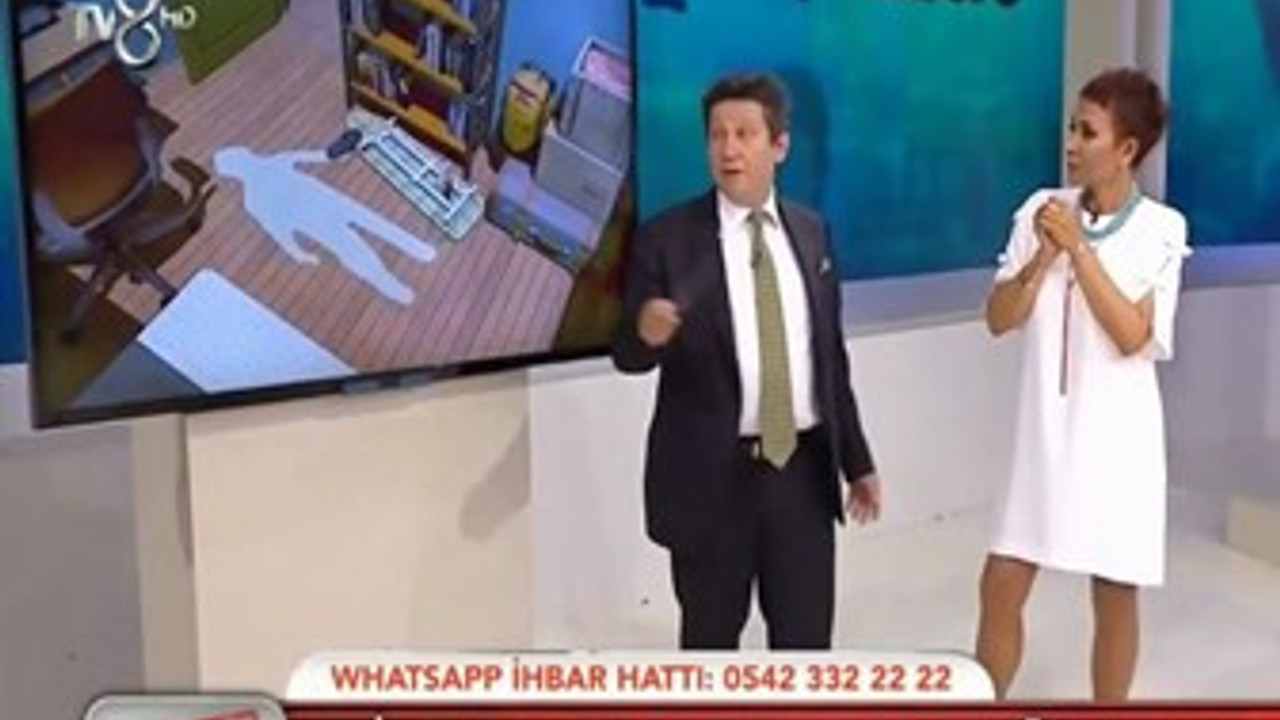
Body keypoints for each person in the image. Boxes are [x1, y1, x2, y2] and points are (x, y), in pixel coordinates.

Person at [611, 72, 881, 650]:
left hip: (801, 476)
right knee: (710, 652)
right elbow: (627, 356)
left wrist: (857, 462)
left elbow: (829, 358)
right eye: (717, 135)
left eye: (744, 134)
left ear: (779, 145)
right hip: (712, 482)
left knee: (805, 650)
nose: (729, 149)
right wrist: (644, 331)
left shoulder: (812, 234)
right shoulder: (667, 239)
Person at [975, 67, 1190, 700]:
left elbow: (1131, 335)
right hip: (1041, 438)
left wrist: (1080, 250)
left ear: (1127, 149)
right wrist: (1043, 257)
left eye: (1087, 132)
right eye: (1071, 127)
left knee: (1115, 592)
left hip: (1118, 444)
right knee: (1001, 582)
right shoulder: (1039, 211)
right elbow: (998, 319)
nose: (1070, 143)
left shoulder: (1162, 229)